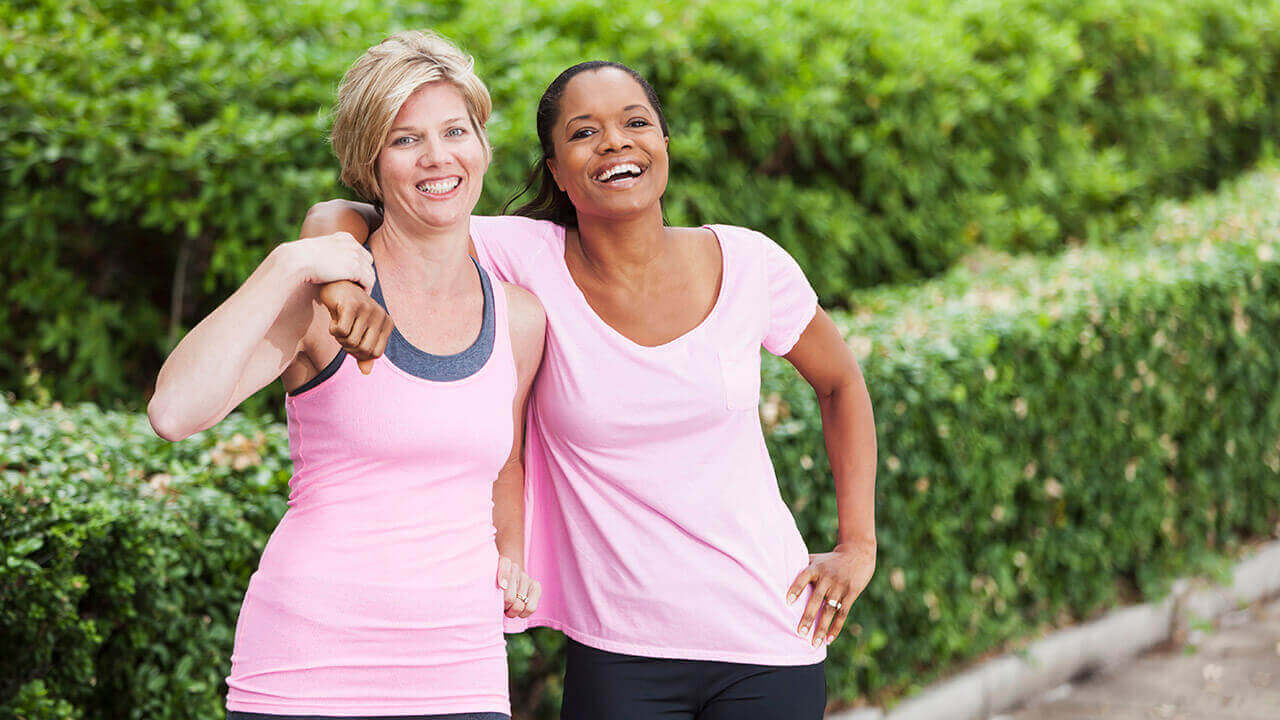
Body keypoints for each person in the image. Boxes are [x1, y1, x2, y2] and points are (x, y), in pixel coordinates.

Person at [307, 60, 877, 720]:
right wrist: (341, 286)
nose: (614, 143)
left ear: (664, 143)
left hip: (770, 638)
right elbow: (339, 214)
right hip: (618, 652)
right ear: (555, 169)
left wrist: (857, 545)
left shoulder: (749, 263)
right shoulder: (520, 257)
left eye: (636, 123)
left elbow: (841, 384)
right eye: (584, 133)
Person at [147, 31, 546, 720]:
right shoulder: (325, 302)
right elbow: (174, 412)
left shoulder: (518, 317)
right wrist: (289, 263)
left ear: (483, 146)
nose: (437, 157)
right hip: (309, 666)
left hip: (462, 670)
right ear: (370, 164)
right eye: (405, 139)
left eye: (456, 130)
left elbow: (502, 461)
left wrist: (510, 552)